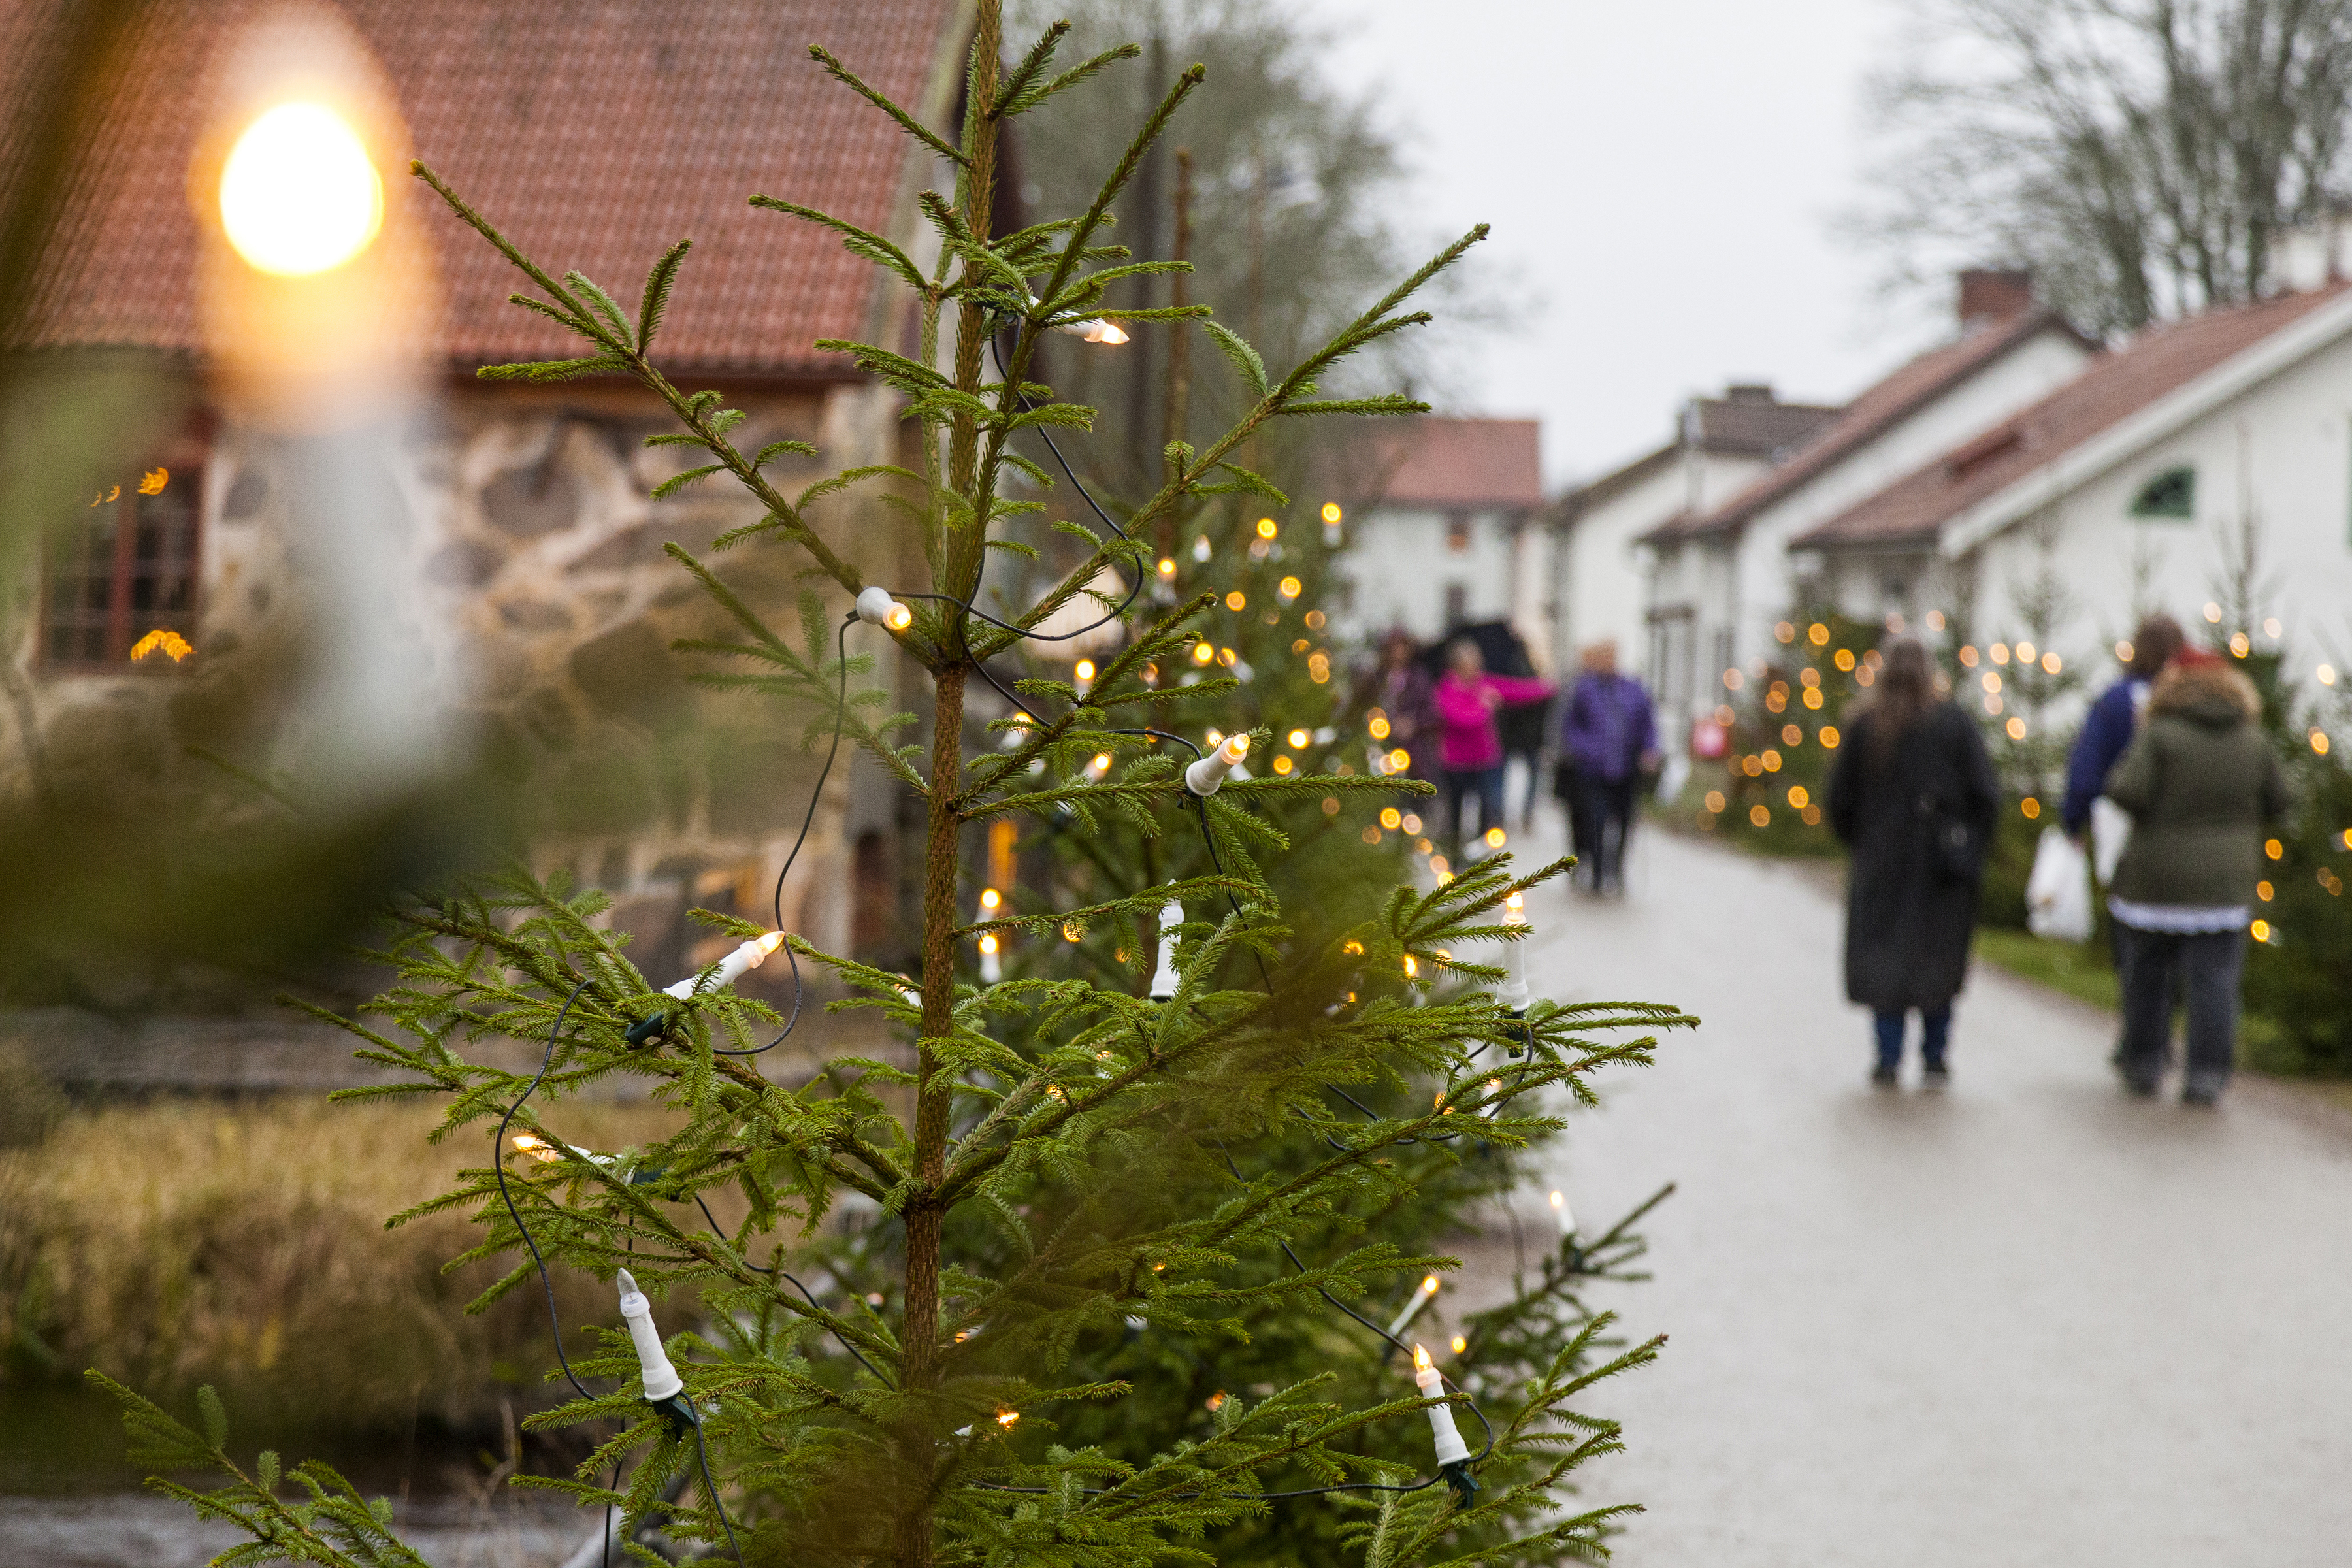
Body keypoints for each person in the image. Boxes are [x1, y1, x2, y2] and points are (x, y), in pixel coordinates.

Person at [2101, 647, 2287, 1106]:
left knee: (2147, 975)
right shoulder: (2254, 740)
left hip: (2155, 878)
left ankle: (2144, 1062)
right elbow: (2281, 800)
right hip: (2225, 884)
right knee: (2216, 982)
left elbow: (2126, 790)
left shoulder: (2160, 734)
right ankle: (2206, 1075)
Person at [1824, 637, 1999, 1088]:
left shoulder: (1866, 725)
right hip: (1943, 866)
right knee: (1937, 960)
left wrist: (1862, 842)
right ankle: (1936, 1056)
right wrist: (1970, 846)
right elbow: (1986, 795)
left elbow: (1839, 800)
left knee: (1885, 960)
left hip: (1883, 862)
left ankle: (1887, 1056)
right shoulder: (1955, 725)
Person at [2060, 612, 2186, 843]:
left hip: (2121, 831)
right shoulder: (2189, 701)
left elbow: (2086, 770)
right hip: (2182, 835)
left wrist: (2073, 823)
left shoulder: (2115, 699)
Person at [1432, 638, 1552, 853]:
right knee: (1455, 814)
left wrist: (1548, 687)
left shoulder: (1484, 684)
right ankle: (1453, 857)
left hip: (1485, 760)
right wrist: (1485, 708)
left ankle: (1479, 858)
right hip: (1456, 762)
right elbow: (1459, 719)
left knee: (1488, 812)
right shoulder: (1447, 688)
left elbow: (1518, 690)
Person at [1557, 640, 1658, 894]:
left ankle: (1618, 867)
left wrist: (1649, 750)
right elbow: (1570, 727)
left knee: (1625, 820)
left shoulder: (1633, 689)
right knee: (1595, 820)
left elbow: (1648, 724)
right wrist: (1584, 750)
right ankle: (1599, 872)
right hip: (1593, 772)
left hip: (1626, 769)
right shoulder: (1584, 690)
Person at [1355, 629, 1437, 779]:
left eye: (1401, 648)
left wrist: (1413, 724)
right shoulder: (1376, 679)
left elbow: (1432, 712)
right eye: (1392, 648)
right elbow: (1361, 708)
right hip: (1379, 750)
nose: (1397, 653)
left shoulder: (1419, 678)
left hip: (1413, 751)